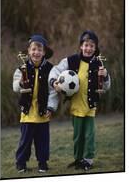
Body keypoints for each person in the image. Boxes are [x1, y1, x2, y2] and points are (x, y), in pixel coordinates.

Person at [47, 30, 111, 171]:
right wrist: (53, 82)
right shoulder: (71, 61)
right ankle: (78, 159)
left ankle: (88, 160)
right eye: (85, 45)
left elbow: (106, 86)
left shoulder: (98, 64)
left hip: (90, 107)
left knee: (89, 135)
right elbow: (55, 70)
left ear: (95, 49)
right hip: (76, 106)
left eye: (91, 46)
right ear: (81, 46)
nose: (88, 49)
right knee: (77, 136)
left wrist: (105, 76)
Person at [13, 34, 53, 173]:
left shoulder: (50, 69)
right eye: (34, 49)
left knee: (42, 141)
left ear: (44, 52)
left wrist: (51, 107)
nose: (36, 52)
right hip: (28, 112)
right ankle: (21, 163)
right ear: (29, 51)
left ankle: (42, 163)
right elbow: (15, 87)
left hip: (43, 112)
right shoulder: (21, 68)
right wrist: (20, 82)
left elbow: (53, 92)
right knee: (25, 141)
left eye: (40, 50)